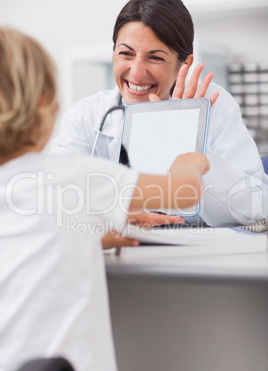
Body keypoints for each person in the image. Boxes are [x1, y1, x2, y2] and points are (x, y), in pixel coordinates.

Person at [0, 27, 209, 371]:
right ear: (46, 103)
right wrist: (189, 160)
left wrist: (99, 231)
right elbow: (185, 190)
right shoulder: (74, 175)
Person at [52, 0, 268, 230]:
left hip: (197, 256)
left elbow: (258, 206)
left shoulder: (214, 105)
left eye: (155, 57)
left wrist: (186, 141)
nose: (136, 73)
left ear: (184, 64)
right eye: (126, 53)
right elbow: (55, 197)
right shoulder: (86, 116)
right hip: (119, 255)